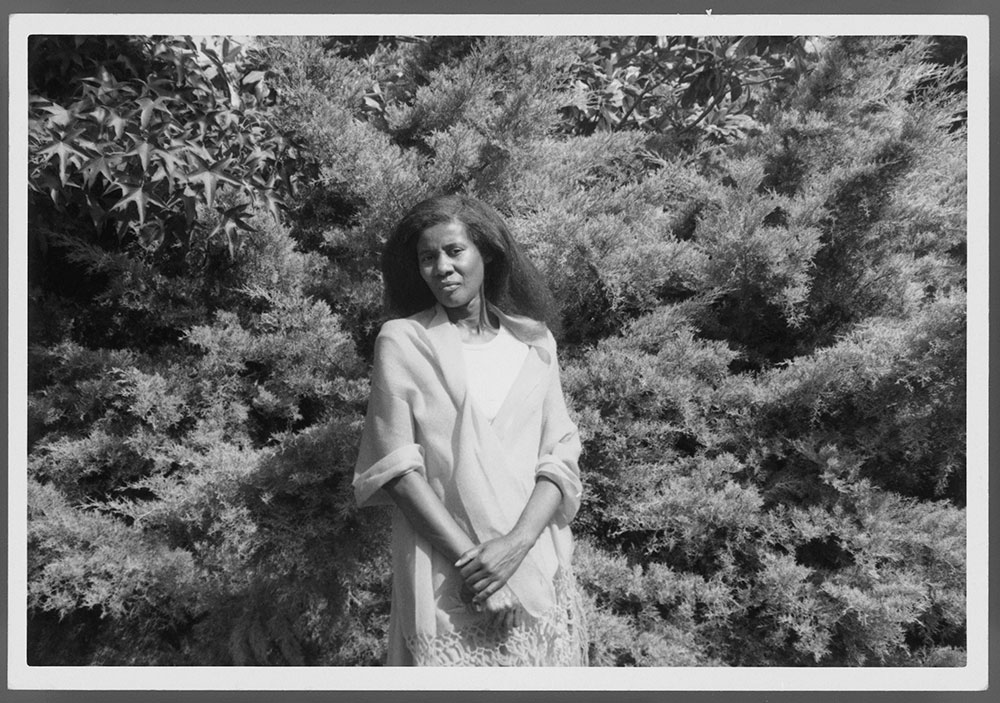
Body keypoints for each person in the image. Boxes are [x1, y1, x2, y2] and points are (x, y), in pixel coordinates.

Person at [353, 194, 588, 666]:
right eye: (427, 258)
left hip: (536, 565)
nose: (442, 267)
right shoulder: (403, 341)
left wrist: (514, 549)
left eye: (454, 251)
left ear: (487, 253)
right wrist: (478, 569)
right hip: (448, 575)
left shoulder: (535, 343)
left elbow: (559, 459)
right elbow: (397, 471)